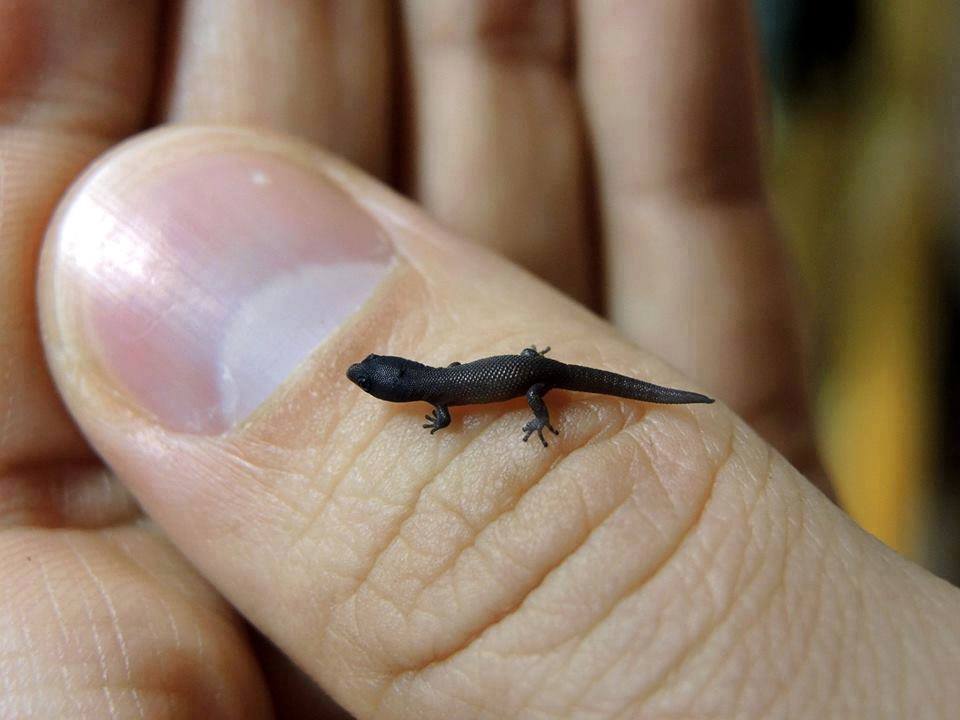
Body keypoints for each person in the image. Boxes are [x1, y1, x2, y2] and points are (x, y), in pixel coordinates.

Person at [2, 2, 957, 718]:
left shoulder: (437, 403)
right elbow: (436, 395)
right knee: (592, 370)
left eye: (375, 379)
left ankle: (608, 397)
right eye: (378, 381)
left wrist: (535, 411)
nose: (376, 380)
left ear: (393, 385)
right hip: (525, 368)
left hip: (534, 377)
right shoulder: (428, 390)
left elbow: (446, 404)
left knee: (624, 387)